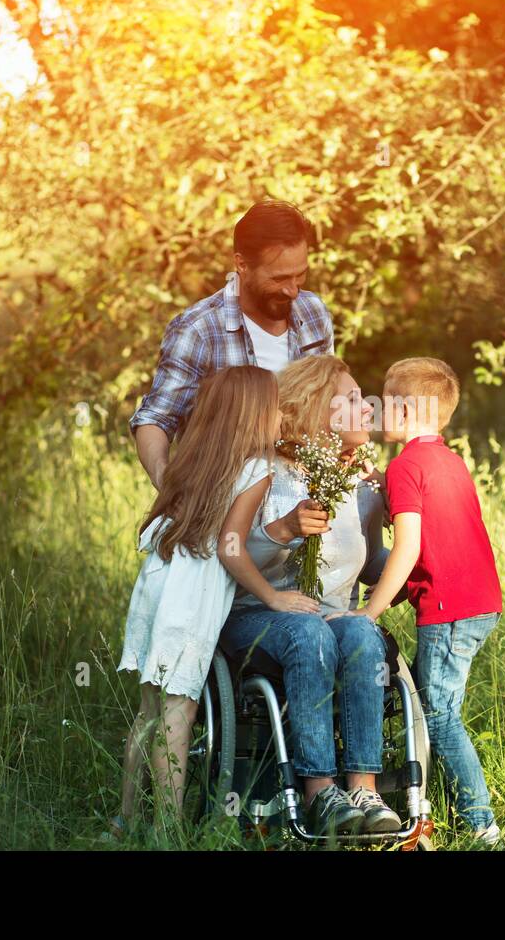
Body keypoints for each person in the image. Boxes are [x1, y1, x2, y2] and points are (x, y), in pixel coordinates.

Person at [111, 366, 321, 839]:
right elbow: (231, 547)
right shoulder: (257, 468)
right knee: (179, 712)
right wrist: (274, 597)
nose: (279, 415)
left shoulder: (195, 457)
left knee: (149, 710)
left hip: (158, 583)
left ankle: (124, 819)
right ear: (255, 413)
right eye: (273, 406)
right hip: (193, 596)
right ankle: (167, 830)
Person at [219, 354, 403, 835]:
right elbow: (230, 554)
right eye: (352, 400)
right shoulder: (264, 470)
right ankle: (320, 792)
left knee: (362, 629)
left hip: (330, 620)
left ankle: (364, 788)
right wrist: (281, 530)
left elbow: (371, 565)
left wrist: (420, 567)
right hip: (257, 616)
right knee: (307, 631)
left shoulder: (363, 484)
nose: (368, 409)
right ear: (316, 408)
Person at [331, 357, 503, 844]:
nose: (374, 410)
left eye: (382, 403)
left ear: (403, 411)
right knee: (441, 709)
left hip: (450, 610)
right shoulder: (447, 461)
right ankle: (442, 803)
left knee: (440, 716)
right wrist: (379, 482)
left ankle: (481, 824)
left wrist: (370, 611)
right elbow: (437, 539)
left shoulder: (406, 467)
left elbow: (407, 548)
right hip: (479, 602)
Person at [129, 199, 334, 491]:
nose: (292, 290)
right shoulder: (198, 330)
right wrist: (168, 487)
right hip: (224, 507)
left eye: (300, 275)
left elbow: (325, 407)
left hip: (302, 506)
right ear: (241, 264)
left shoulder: (314, 313)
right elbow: (156, 418)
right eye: (279, 278)